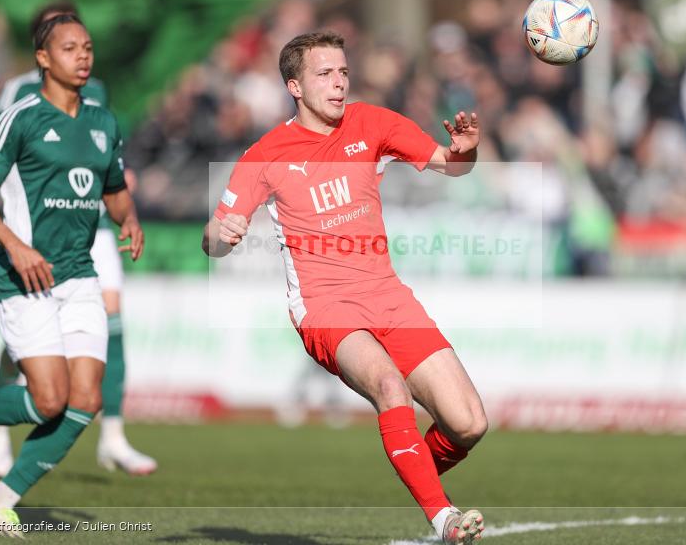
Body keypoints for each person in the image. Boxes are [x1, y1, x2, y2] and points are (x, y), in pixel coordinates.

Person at [202, 32, 487, 544]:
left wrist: (466, 152)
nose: (338, 84)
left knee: (469, 424)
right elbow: (213, 238)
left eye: (343, 73)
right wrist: (221, 236)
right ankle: (443, 518)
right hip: (325, 306)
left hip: (388, 295)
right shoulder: (265, 154)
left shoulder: (372, 122)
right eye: (323, 74)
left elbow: (451, 164)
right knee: (388, 387)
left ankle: (411, 465)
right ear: (294, 85)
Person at [0, 13, 143, 536]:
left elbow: (113, 187)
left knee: (84, 400)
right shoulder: (20, 117)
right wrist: (15, 246)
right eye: (70, 48)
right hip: (24, 279)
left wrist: (129, 217)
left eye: (87, 47)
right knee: (48, 400)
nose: (83, 55)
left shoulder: (103, 122)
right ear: (43, 59)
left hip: (79, 276)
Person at [0, 0, 157, 478]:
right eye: (63, 41)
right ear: (42, 48)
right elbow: (2, 158)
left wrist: (122, 194)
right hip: (35, 226)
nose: (79, 54)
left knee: (112, 313)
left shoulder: (96, 90)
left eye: (84, 44)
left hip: (93, 223)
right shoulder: (18, 94)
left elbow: (102, 151)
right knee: (38, 365)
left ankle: (115, 436)